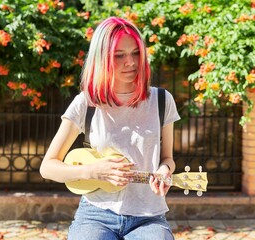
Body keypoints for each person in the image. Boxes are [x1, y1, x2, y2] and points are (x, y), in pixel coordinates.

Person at [39, 16, 180, 240]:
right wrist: (92, 171)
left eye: (135, 53)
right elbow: (47, 167)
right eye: (119, 55)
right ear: (101, 58)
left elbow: (168, 159)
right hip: (95, 214)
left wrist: (165, 170)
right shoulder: (86, 103)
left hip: (149, 217)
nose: (130, 62)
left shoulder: (162, 101)